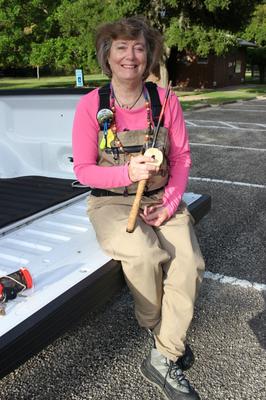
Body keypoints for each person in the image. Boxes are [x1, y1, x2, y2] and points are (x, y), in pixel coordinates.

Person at [72, 16, 205, 400]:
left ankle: (162, 355)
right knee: (146, 254)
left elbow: (181, 159)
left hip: (160, 197)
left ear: (148, 57)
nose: (130, 56)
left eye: (139, 47)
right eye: (121, 47)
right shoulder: (89, 107)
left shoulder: (166, 101)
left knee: (189, 264)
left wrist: (168, 205)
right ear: (107, 56)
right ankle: (159, 327)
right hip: (111, 202)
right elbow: (84, 170)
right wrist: (128, 171)